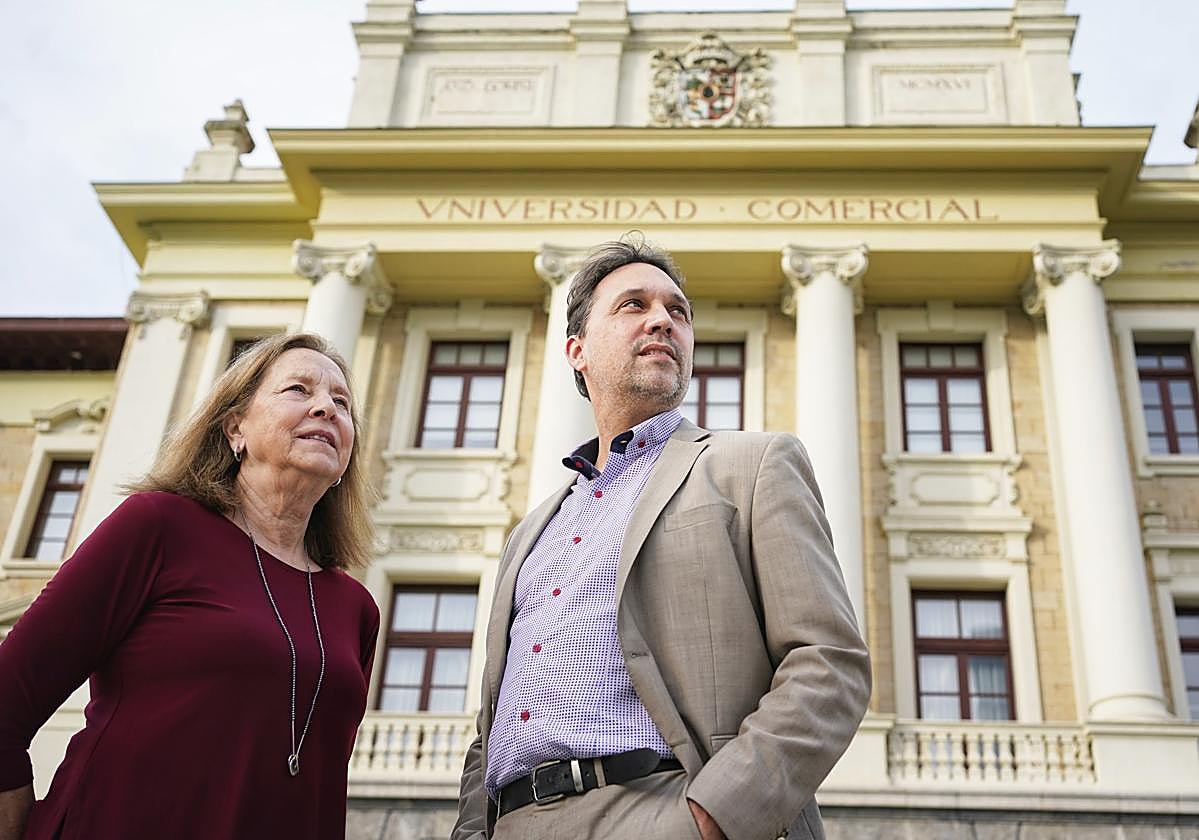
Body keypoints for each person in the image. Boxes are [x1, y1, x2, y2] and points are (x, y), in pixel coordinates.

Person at [453, 237, 871, 840]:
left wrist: (711, 818)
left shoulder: (752, 466)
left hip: (661, 808)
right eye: (634, 305)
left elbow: (828, 664)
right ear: (577, 351)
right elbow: (490, 722)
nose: (662, 320)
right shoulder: (531, 532)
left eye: (678, 312)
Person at [0, 332, 380, 840]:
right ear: (235, 428)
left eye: (342, 404)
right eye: (298, 390)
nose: (326, 409)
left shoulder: (356, 608)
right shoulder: (158, 527)